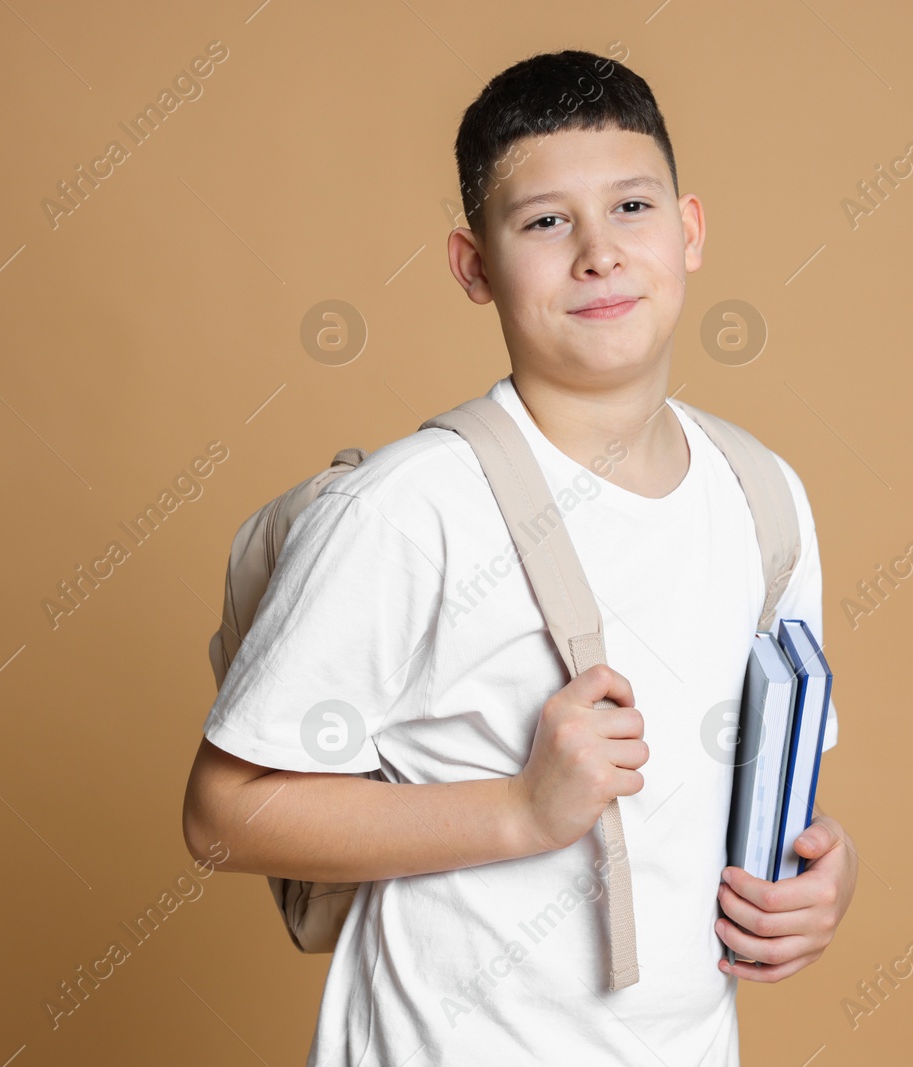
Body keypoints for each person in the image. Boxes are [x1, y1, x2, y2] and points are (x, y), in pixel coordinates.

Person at [181, 48, 858, 1066]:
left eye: (632, 208)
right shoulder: (411, 510)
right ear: (473, 266)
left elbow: (728, 788)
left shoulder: (763, 493)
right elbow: (221, 814)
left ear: (689, 231)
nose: (598, 252)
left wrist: (822, 879)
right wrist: (518, 808)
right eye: (545, 221)